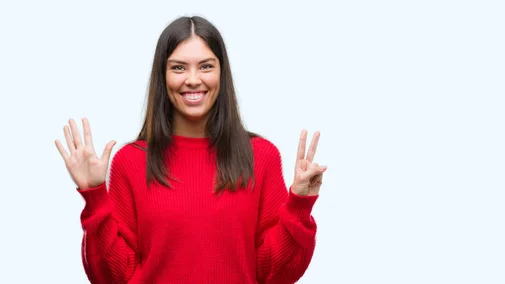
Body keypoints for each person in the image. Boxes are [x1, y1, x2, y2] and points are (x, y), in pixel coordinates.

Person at [54, 15, 327, 284]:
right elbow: (111, 277)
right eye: (179, 68)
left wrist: (299, 205)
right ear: (163, 76)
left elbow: (275, 275)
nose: (193, 79)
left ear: (222, 72)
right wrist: (95, 197)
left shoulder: (261, 157)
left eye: (206, 66)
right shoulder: (131, 161)